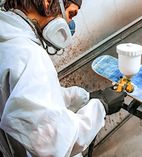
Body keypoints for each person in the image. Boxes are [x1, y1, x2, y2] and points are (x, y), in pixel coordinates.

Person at [0, 0, 126, 157]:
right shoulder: (29, 55)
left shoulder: (7, 39)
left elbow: (35, 96)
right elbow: (57, 142)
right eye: (71, 14)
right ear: (47, 3)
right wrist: (100, 107)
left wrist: (84, 98)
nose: (70, 24)